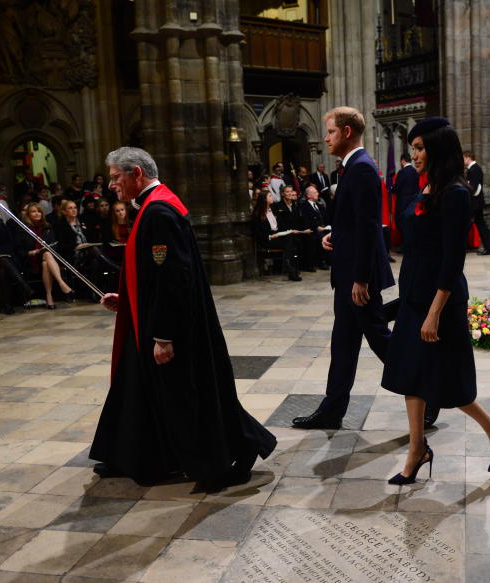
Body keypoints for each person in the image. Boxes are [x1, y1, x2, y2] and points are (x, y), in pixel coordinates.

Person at [90, 146, 276, 488]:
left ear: (136, 174)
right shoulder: (152, 206)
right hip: (152, 318)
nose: (111, 185)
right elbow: (154, 273)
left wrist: (163, 335)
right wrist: (130, 297)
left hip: (171, 327)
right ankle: (137, 456)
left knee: (188, 396)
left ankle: (232, 453)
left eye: (116, 178)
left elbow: (173, 276)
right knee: (149, 390)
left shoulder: (158, 212)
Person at [381, 117, 490, 484]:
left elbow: (452, 259)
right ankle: (416, 451)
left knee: (447, 383)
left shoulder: (456, 193)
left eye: (421, 147)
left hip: (440, 302)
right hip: (413, 296)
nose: (414, 154)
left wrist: (434, 313)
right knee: (412, 376)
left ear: (438, 149)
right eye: (412, 148)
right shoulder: (423, 188)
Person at [292, 107, 394, 429]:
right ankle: (332, 409)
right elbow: (354, 222)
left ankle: (427, 389)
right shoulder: (352, 168)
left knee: (379, 339)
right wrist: (335, 235)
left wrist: (362, 279)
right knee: (344, 343)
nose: (326, 137)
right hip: (349, 272)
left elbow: (368, 227)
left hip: (357, 277)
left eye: (331, 131)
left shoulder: (361, 168)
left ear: (347, 132)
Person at [17, 202, 74, 308]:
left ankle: (49, 296)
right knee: (46, 257)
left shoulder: (47, 227)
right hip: (30, 259)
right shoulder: (23, 229)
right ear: (28, 214)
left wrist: (44, 250)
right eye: (33, 212)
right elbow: (19, 250)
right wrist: (31, 252)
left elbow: (53, 245)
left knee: (46, 258)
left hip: (46, 258)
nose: (37, 214)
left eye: (39, 211)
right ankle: (62, 284)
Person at [252, 191, 301, 281]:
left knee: (291, 238)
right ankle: (291, 270)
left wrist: (287, 231)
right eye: (270, 196)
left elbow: (279, 225)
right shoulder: (258, 213)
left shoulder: (273, 209)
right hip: (267, 239)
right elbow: (257, 232)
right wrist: (270, 236)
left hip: (277, 236)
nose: (272, 198)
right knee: (290, 241)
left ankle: (290, 269)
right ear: (264, 199)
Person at [464, 151, 490, 255]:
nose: (463, 161)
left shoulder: (474, 169)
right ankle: (489, 248)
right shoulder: (473, 169)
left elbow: (474, 187)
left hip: (475, 202)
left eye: (463, 158)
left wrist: (464, 191)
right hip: (475, 202)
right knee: (479, 225)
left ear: (468, 158)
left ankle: (489, 248)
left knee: (466, 224)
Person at [298, 185, 330, 271]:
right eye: (315, 192)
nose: (318, 193)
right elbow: (305, 220)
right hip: (312, 229)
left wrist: (328, 226)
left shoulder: (319, 205)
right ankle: (318, 262)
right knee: (318, 236)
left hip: (324, 228)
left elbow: (326, 218)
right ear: (309, 195)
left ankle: (329, 260)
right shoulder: (304, 206)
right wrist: (316, 227)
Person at [391, 153, 420, 241]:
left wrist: (392, 188)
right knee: (410, 223)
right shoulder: (415, 172)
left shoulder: (402, 172)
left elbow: (397, 187)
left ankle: (405, 245)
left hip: (402, 201)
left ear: (403, 160)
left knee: (401, 223)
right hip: (413, 201)